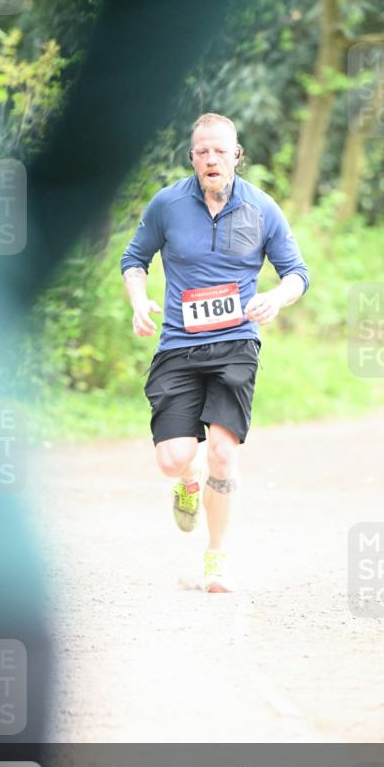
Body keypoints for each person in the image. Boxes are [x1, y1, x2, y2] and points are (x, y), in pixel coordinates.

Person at [121, 113, 310, 593]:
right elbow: (134, 260)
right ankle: (187, 478)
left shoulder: (262, 208)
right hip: (179, 346)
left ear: (236, 155)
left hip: (235, 344)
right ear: (192, 158)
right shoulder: (167, 204)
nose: (211, 158)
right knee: (172, 458)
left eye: (220, 151)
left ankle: (217, 558)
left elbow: (296, 273)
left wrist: (276, 297)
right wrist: (139, 300)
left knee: (224, 454)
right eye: (202, 151)